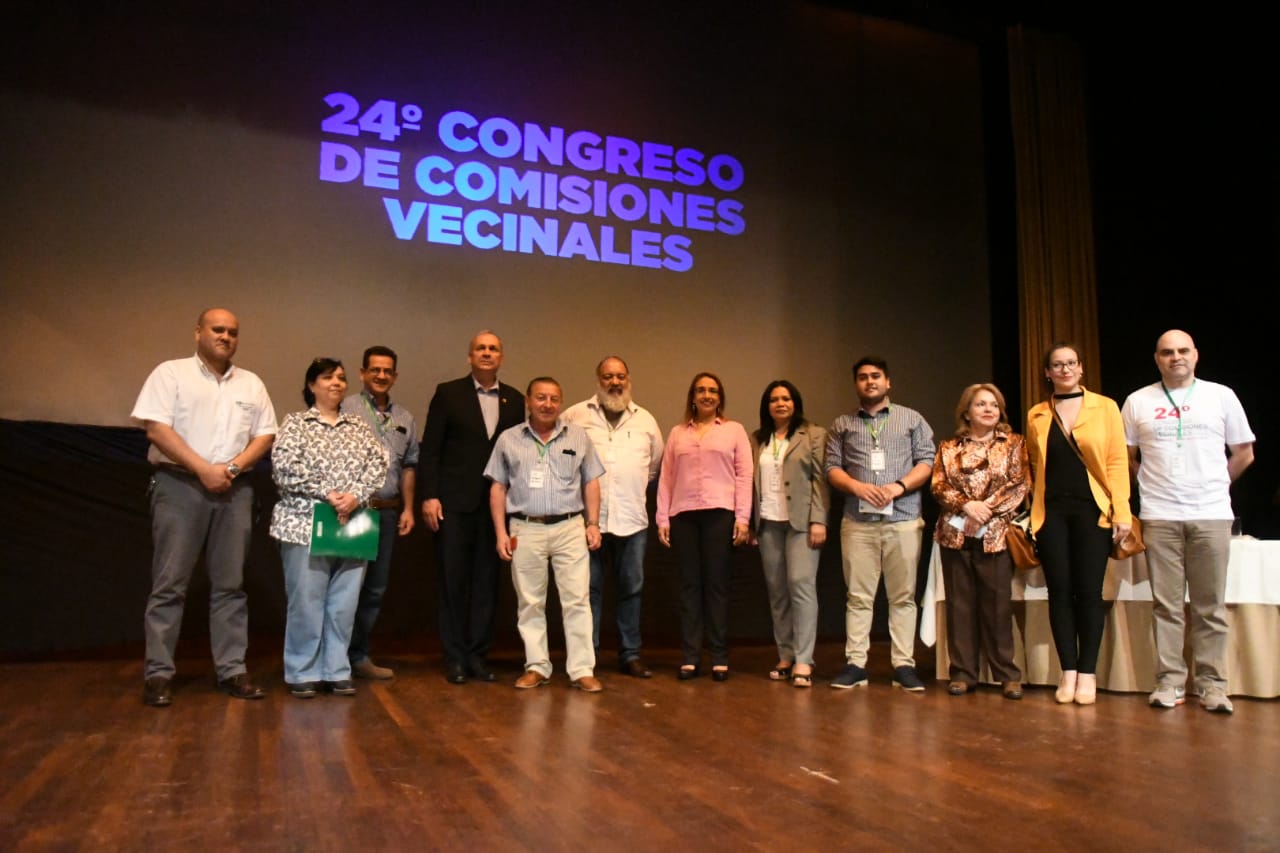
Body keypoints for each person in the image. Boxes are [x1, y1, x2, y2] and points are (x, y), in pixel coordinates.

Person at [132, 308, 277, 708]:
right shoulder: (170, 374)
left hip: (234, 490)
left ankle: (232, 670)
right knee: (169, 585)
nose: (226, 336)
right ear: (198, 332)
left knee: (231, 587)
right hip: (179, 485)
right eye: (218, 329)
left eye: (233, 331)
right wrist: (203, 469)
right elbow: (155, 428)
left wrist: (229, 470)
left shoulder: (251, 383)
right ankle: (158, 674)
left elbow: (265, 435)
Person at [1123, 329, 1255, 714]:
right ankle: (1169, 682)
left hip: (1211, 514)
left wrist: (1215, 484)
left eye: (1183, 350)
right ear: (1157, 359)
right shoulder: (1137, 401)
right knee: (1166, 606)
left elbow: (1244, 453)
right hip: (1159, 515)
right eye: (1167, 352)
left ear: (1195, 355)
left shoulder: (1221, 396)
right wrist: (1149, 484)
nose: (1175, 357)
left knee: (1209, 606)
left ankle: (1213, 685)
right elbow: (1125, 456)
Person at [270, 358, 389, 698]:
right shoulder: (296, 423)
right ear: (312, 385)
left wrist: (355, 496)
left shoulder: (358, 426)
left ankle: (337, 669)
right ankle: (302, 670)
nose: (336, 382)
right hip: (304, 524)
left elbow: (378, 463)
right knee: (306, 602)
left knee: (343, 605)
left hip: (352, 524)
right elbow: (284, 467)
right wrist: (328, 494)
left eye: (341, 377)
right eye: (327, 377)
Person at [1026, 342, 1131, 706]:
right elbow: (1035, 465)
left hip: (1093, 511)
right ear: (1047, 373)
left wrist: (1122, 511)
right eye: (1057, 364)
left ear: (1081, 368)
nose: (1065, 369)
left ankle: (1087, 672)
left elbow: (1117, 462)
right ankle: (1067, 670)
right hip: (1052, 513)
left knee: (1088, 592)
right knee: (1059, 592)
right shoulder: (1037, 413)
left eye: (1071, 362)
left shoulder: (1105, 407)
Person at [486, 377, 606, 691]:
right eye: (540, 397)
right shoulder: (509, 439)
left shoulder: (578, 436)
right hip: (525, 528)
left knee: (577, 600)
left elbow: (591, 481)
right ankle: (537, 666)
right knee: (530, 602)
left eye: (554, 398)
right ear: (528, 401)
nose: (547, 404)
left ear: (561, 402)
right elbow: (498, 487)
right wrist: (500, 532)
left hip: (569, 526)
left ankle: (582, 669)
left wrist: (593, 523)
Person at [419, 331, 525, 684]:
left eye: (493, 348)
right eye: (480, 348)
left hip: (497, 508)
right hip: (453, 505)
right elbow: (431, 449)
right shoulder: (448, 393)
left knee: (486, 584)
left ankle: (478, 657)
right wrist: (430, 495)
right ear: (470, 356)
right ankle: (455, 659)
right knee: (453, 583)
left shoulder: (515, 399)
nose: (487, 353)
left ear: (501, 357)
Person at [826, 357, 935, 691]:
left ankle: (903, 666)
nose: (869, 381)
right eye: (862, 377)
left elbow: (927, 461)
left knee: (903, 597)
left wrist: (899, 486)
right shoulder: (842, 424)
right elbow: (832, 467)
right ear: (856, 384)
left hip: (903, 519)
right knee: (858, 597)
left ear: (888, 382)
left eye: (876, 376)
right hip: (858, 522)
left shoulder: (912, 419)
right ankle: (856, 664)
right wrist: (856, 487)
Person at [562, 357, 664, 678]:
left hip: (632, 522)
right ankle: (587, 658)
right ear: (598, 380)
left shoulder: (646, 420)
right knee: (587, 591)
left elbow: (653, 468)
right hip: (587, 522)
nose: (614, 382)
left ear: (628, 379)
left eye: (620, 376)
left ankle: (630, 655)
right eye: (608, 376)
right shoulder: (575, 416)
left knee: (631, 589)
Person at [930, 384, 1029, 699]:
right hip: (955, 534)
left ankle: (1007, 675)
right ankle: (962, 673)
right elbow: (939, 485)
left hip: (996, 534)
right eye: (981, 404)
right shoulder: (948, 447)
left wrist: (984, 511)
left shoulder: (1014, 443)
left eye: (994, 405)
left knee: (997, 607)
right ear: (966, 412)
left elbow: (1019, 484)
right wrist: (966, 505)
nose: (988, 410)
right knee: (960, 606)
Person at [656, 372, 752, 682]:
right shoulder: (677, 433)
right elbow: (666, 478)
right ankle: (690, 657)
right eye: (701, 390)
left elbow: (744, 476)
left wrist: (743, 518)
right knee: (688, 588)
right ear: (693, 397)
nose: (707, 395)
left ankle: (719, 657)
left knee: (716, 587)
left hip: (720, 515)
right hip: (683, 516)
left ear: (720, 398)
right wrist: (662, 518)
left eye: (712, 391)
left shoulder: (734, 431)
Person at [340, 345, 419, 680]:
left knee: (374, 590)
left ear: (395, 376)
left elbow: (409, 466)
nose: (381, 375)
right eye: (375, 369)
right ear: (362, 373)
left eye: (388, 371)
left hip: (386, 513)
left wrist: (408, 508)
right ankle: (333, 658)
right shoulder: (346, 407)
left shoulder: (405, 418)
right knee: (345, 588)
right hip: (353, 512)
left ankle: (357, 656)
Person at [750, 380, 829, 688]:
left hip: (802, 523)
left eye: (786, 398)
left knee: (801, 586)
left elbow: (820, 480)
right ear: (766, 406)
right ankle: (785, 654)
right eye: (774, 400)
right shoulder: (758, 438)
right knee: (777, 591)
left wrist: (819, 520)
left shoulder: (813, 434)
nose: (780, 404)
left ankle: (804, 659)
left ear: (795, 403)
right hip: (768, 522)